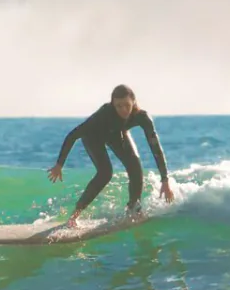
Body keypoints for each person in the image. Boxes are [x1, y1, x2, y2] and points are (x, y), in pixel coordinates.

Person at [48, 85, 174, 225]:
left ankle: (134, 210)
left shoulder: (142, 117)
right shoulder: (104, 114)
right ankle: (74, 217)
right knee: (105, 173)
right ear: (113, 104)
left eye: (127, 105)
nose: (123, 110)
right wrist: (59, 164)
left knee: (135, 166)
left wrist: (165, 179)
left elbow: (155, 147)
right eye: (118, 106)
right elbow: (73, 135)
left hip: (116, 134)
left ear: (133, 101)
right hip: (93, 136)